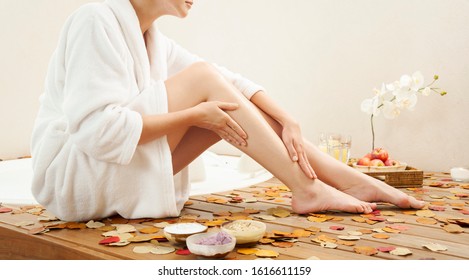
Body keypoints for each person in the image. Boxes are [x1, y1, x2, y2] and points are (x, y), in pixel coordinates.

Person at [31, 0, 425, 222]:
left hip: (116, 170)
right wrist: (192, 116)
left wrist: (286, 117)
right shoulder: (95, 20)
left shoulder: (152, 39)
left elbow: (227, 81)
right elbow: (95, 131)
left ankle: (345, 179)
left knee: (221, 93)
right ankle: (307, 188)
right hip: (75, 178)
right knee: (205, 88)